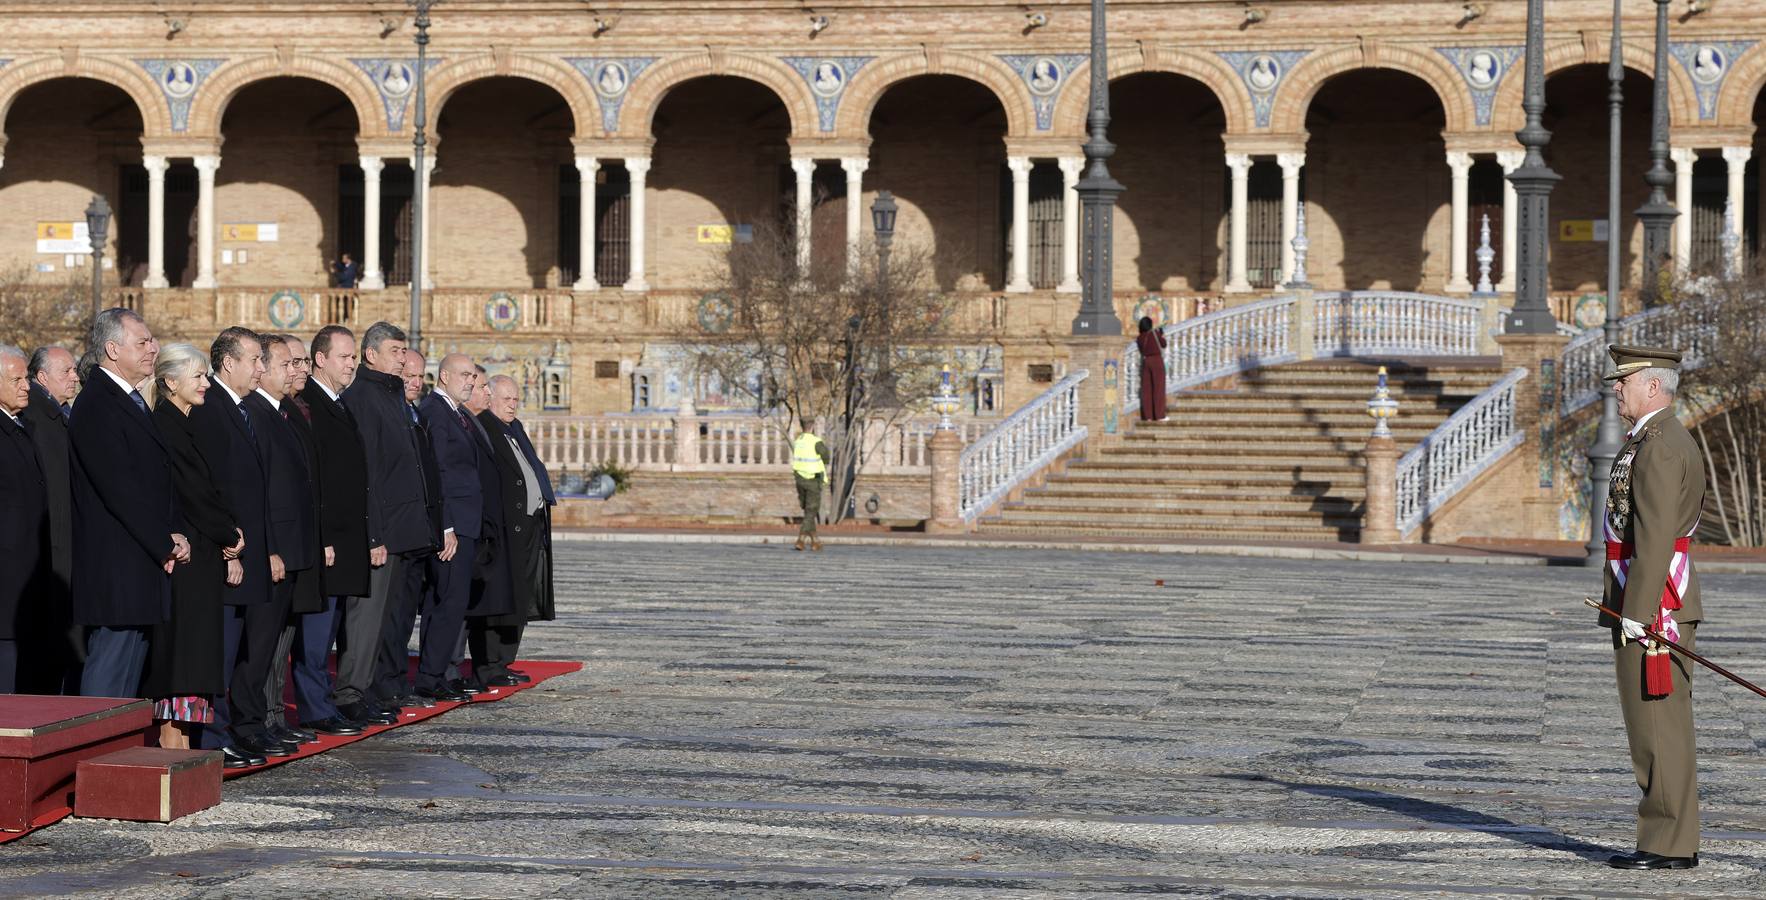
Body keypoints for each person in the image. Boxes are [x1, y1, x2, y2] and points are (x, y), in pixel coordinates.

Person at [1598, 345, 1707, 871]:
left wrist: (1638, 610)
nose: (1616, 388)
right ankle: (1670, 837)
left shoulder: (1660, 445)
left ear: (1653, 387)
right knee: (1655, 727)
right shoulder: (1653, 438)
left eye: (1625, 381)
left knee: (1657, 727)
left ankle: (1667, 843)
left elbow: (1657, 534)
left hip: (1655, 604)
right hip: (1645, 597)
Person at [141, 344, 252, 761]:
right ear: (171, 383)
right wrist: (228, 532)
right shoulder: (167, 425)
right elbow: (193, 490)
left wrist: (228, 532)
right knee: (182, 650)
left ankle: (185, 735)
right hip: (186, 556)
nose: (206, 383)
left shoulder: (189, 422)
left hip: (204, 552)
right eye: (198, 377)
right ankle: (172, 737)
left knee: (199, 649)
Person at [69, 309, 186, 698]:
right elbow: (120, 486)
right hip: (117, 560)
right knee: (110, 667)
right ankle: (92, 750)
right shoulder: (98, 404)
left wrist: (171, 532)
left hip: (141, 558)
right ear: (113, 349)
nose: (154, 348)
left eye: (152, 341)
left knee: (130, 670)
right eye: (143, 342)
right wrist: (164, 540)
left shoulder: (130, 399)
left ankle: (114, 749)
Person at [190, 326, 288, 760]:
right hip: (228, 555)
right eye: (254, 360)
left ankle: (226, 731)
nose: (261, 368)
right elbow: (213, 485)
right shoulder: (212, 408)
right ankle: (212, 736)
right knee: (221, 652)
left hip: (248, 552)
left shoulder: (241, 409)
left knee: (240, 648)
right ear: (228, 363)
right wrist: (229, 545)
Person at [340, 323, 432, 724]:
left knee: (386, 619)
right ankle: (349, 692)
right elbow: (367, 473)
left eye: (404, 350)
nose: (402, 357)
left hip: (401, 528)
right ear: (371, 354)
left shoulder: (390, 395)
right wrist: (373, 532)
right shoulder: (364, 396)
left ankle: (369, 687)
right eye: (395, 350)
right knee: (365, 617)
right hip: (381, 529)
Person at [244, 334, 322, 749]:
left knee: (277, 641)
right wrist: (270, 547)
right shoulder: (257, 412)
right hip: (273, 547)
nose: (295, 371)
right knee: (259, 645)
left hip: (293, 545)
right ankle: (252, 722)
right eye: (284, 364)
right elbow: (261, 489)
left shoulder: (282, 411)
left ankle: (267, 718)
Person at [294, 326, 371, 736]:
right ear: (320, 359)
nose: (351, 363)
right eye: (344, 356)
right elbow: (315, 479)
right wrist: (322, 537)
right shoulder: (311, 405)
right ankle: (314, 707)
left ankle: (324, 702)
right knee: (315, 634)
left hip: (345, 539)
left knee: (328, 632)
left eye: (354, 356)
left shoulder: (339, 404)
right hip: (327, 541)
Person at [474, 374, 554, 686]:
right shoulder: (486, 429)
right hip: (505, 529)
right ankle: (488, 664)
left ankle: (505, 660)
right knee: (498, 601)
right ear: (489, 398)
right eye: (506, 399)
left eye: (516, 399)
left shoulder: (514, 429)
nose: (512, 405)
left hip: (528, 528)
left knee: (519, 598)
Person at [412, 354, 483, 703]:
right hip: (451, 527)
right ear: (443, 376)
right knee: (446, 602)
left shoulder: (455, 412)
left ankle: (435, 671)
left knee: (451, 602)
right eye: (464, 375)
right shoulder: (436, 412)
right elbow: (437, 472)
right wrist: (446, 526)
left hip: (465, 523)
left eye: (473, 375)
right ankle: (430, 676)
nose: (470, 381)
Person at [20, 346, 81, 694]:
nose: (74, 377)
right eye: (67, 371)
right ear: (42, 377)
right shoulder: (41, 419)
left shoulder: (59, 415)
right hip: (54, 551)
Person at [0, 344, 48, 693]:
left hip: (29, 577)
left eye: (26, 377)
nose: (26, 385)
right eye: (16, 379)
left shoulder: (23, 428)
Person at [791, 417, 828, 552]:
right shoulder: (816, 441)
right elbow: (826, 456)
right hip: (812, 479)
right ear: (813, 426)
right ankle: (801, 539)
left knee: (808, 511)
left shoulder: (798, 441)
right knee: (811, 510)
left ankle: (815, 541)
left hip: (799, 479)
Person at [1136, 316, 1168, 423]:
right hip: (1156, 361)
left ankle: (1148, 416)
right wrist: (1162, 335)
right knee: (1158, 388)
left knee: (1147, 389)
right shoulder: (1154, 334)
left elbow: (1141, 350)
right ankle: (1159, 415)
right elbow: (1163, 344)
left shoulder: (1139, 338)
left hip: (1146, 362)